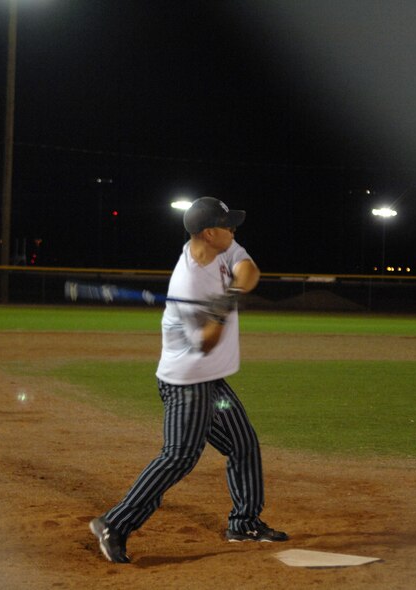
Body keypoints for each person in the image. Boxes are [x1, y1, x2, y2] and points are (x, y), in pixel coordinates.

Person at [89, 196, 287, 564]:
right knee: (180, 455)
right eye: (227, 225)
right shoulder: (189, 282)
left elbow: (249, 270)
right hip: (187, 382)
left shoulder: (221, 249)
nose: (233, 230)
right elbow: (206, 342)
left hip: (210, 381)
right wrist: (218, 315)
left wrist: (228, 296)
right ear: (209, 233)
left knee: (243, 443)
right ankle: (114, 523)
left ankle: (244, 523)